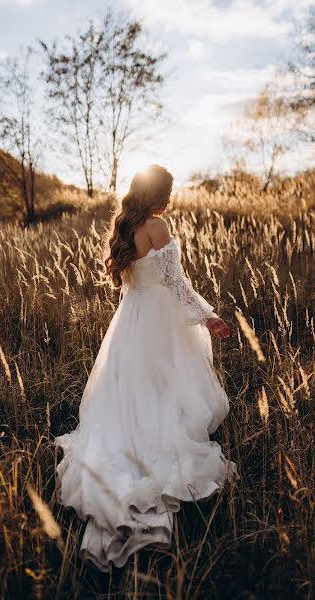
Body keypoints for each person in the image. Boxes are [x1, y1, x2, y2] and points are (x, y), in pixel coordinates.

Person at [54, 164, 239, 572]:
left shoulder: (125, 228)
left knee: (134, 385)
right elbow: (176, 282)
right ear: (158, 192)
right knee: (164, 383)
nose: (171, 196)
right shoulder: (158, 224)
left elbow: (132, 282)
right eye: (169, 189)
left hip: (132, 317)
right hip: (159, 317)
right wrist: (207, 316)